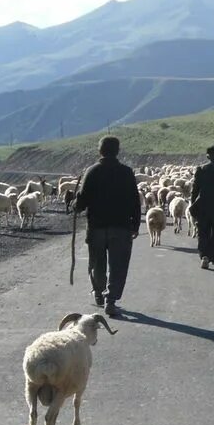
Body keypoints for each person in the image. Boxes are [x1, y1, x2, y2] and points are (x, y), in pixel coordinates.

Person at [74, 135, 141, 317]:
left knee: (97, 262)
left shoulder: (92, 171)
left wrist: (75, 204)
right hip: (121, 226)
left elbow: (82, 202)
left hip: (97, 226)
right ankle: (110, 299)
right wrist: (135, 224)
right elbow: (135, 200)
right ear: (117, 151)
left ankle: (98, 293)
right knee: (118, 264)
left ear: (100, 151)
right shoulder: (126, 172)